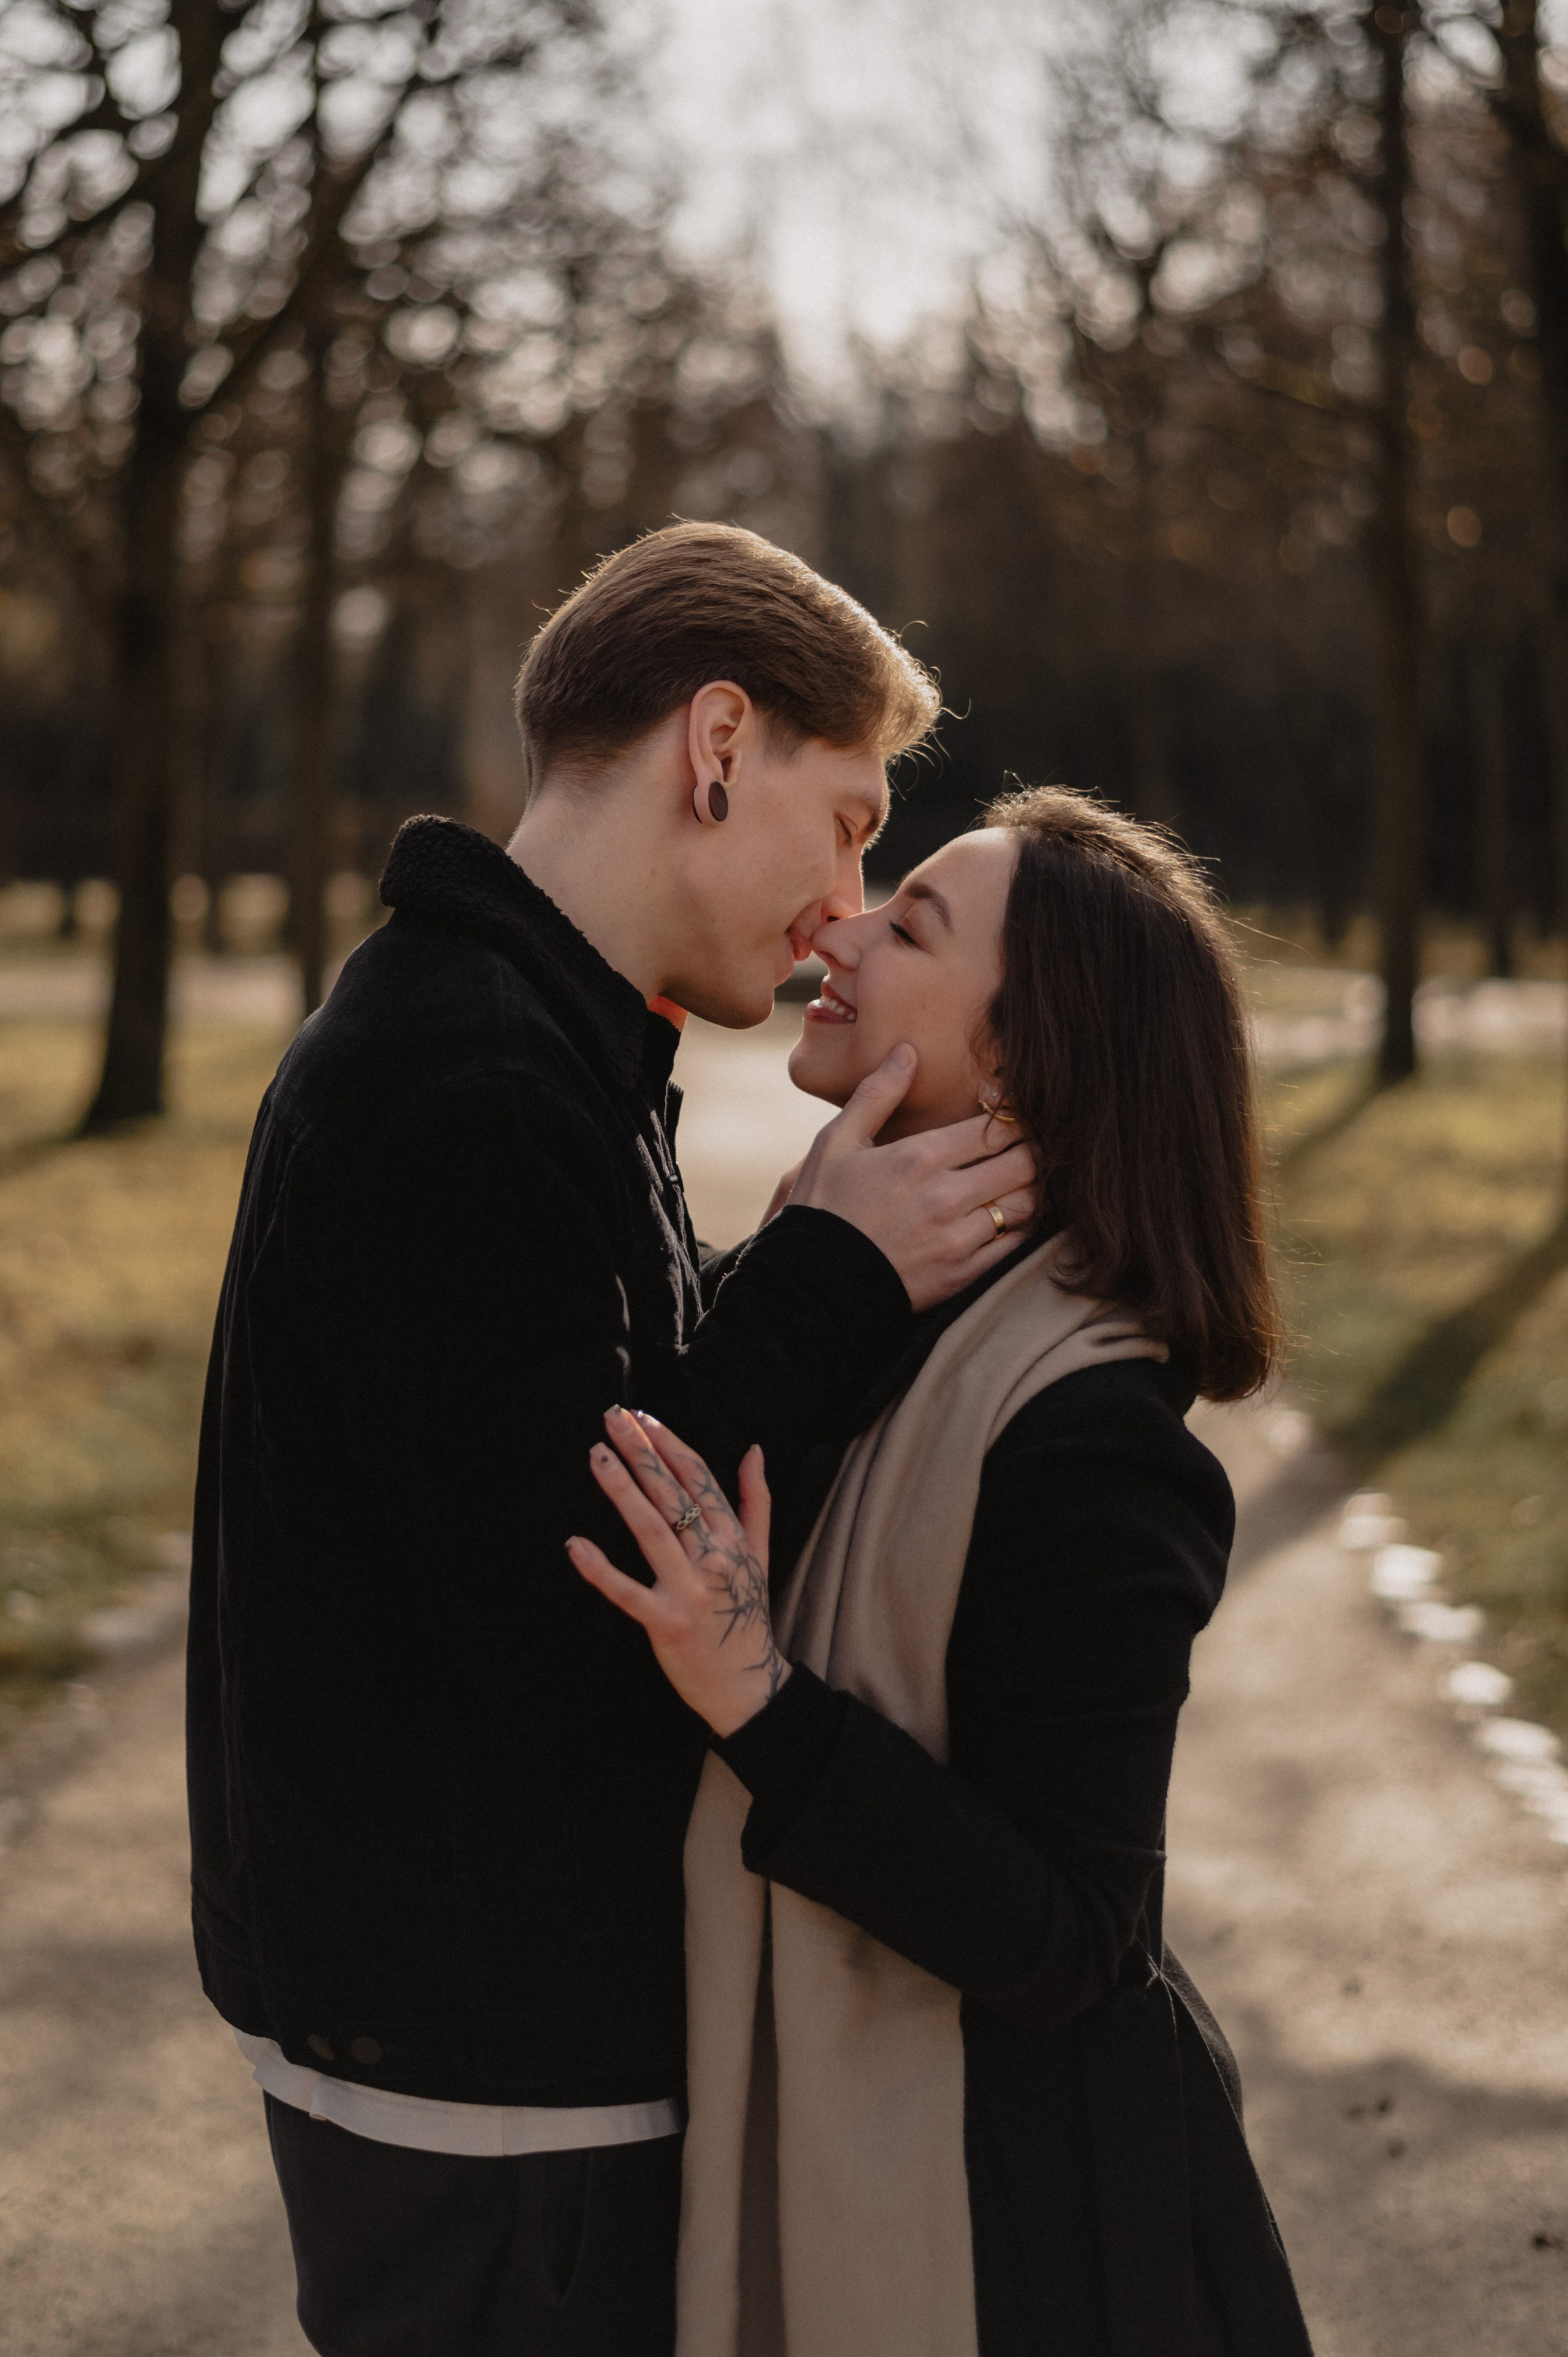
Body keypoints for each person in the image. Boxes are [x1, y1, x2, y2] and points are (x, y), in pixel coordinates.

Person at [186, 524, 1039, 2357]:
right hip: (495, 2084)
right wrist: (825, 1283)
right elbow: (578, 1606)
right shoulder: (480, 1081)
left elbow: (565, 1406)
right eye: (851, 818)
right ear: (716, 744)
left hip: (466, 2045)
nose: (845, 898)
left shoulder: (521, 1035)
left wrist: (802, 1248)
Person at [575, 786, 1316, 2357]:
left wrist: (761, 1704)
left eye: (906, 923)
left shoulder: (1092, 1437)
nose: (837, 928)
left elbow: (1069, 1932)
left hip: (1032, 2239)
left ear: (1024, 1064)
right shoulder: (866, 1314)